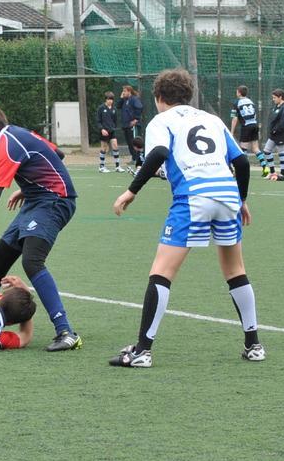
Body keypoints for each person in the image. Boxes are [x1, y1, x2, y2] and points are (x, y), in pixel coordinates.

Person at [110, 68, 264, 368]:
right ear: (188, 95)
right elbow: (242, 163)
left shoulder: (161, 121)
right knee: (235, 270)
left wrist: (131, 191)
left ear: (159, 97)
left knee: (161, 272)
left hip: (193, 197)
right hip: (227, 195)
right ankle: (254, 345)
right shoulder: (211, 119)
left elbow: (157, 154)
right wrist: (241, 200)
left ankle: (142, 352)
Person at [0, 93, 82, 352]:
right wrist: (29, 188)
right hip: (37, 201)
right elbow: (57, 153)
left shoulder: (8, 144)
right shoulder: (17, 133)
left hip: (55, 201)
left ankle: (66, 332)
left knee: (32, 260)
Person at [229, 85, 267, 176]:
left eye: (237, 91)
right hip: (254, 125)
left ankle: (242, 171)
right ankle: (265, 167)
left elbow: (234, 118)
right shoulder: (251, 101)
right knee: (255, 148)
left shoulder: (237, 102)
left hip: (246, 126)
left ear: (239, 93)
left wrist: (232, 132)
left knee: (243, 149)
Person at [263, 89, 284, 177]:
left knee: (281, 153)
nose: (273, 99)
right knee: (267, 151)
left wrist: (276, 130)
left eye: (274, 97)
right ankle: (272, 172)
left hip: (280, 134)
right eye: (273, 97)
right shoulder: (277, 106)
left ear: (280, 97)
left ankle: (282, 174)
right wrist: (272, 130)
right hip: (273, 134)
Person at [96, 91, 124, 173]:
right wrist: (102, 129)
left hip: (112, 131)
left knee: (115, 146)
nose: (110, 101)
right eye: (109, 99)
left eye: (111, 99)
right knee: (104, 148)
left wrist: (113, 128)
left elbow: (115, 120)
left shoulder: (114, 109)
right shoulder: (101, 108)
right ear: (106, 99)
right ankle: (101, 167)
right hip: (104, 131)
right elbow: (98, 121)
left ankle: (117, 166)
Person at [116, 85, 144, 163]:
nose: (123, 93)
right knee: (129, 143)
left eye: (125, 91)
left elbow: (139, 107)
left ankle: (138, 159)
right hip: (126, 125)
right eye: (123, 91)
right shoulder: (124, 100)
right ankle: (134, 158)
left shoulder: (134, 99)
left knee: (134, 142)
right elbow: (118, 106)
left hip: (133, 125)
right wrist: (121, 98)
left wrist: (136, 119)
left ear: (129, 91)